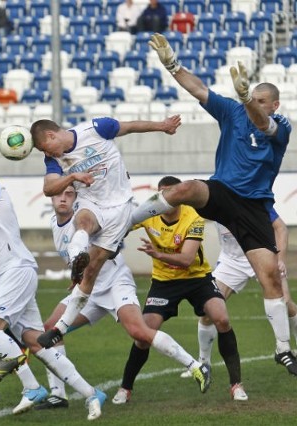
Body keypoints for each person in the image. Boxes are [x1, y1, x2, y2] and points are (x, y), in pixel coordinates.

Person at [132, 33, 297, 375]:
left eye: (261, 99)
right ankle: (127, 219)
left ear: (274, 104)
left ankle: (282, 349)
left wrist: (244, 98)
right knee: (185, 188)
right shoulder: (232, 111)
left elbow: (263, 124)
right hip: (223, 192)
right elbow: (198, 89)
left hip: (253, 206)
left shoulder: (281, 125)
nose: (255, 102)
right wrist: (171, 64)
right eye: (254, 98)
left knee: (271, 279)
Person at [0, 150, 108, 419]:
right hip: (12, 273)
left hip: (15, 270)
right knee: (36, 341)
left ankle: (32, 387)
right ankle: (91, 392)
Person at [36, 185, 212, 409]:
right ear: (50, 197)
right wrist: (76, 273)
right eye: (59, 194)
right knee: (50, 329)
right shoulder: (55, 223)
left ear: (77, 198)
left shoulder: (91, 219)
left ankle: (195, 366)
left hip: (115, 284)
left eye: (69, 194)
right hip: (88, 290)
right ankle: (59, 395)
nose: (63, 198)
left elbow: (113, 238)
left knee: (139, 332)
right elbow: (75, 258)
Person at [29, 114, 181, 350]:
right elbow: (49, 188)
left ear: (51, 135)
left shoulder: (96, 128)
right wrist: (71, 175)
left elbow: (130, 126)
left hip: (119, 206)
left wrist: (163, 126)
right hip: (91, 204)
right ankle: (77, 260)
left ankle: (61, 324)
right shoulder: (54, 162)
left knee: (91, 273)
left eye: (44, 147)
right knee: (83, 223)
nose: (46, 153)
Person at [112, 176, 245, 404]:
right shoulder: (149, 214)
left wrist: (158, 255)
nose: (168, 200)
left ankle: (236, 385)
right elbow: (120, 227)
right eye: (163, 195)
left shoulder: (193, 216)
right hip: (164, 283)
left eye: (172, 194)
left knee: (221, 318)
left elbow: (186, 258)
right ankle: (125, 388)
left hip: (197, 279)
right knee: (144, 335)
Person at [181, 213, 297, 377]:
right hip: (232, 261)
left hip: (262, 254)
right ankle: (203, 363)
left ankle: (286, 349)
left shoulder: (250, 197)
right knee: (209, 311)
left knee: (285, 302)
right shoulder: (214, 198)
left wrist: (280, 258)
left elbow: (281, 228)